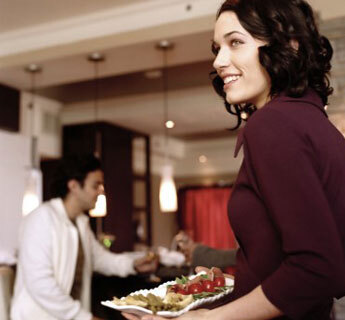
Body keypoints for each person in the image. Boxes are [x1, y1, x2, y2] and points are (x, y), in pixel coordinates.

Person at [122, 0, 345, 319]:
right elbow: (301, 263)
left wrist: (207, 318)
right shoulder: (315, 123)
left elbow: (318, 269)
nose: (219, 60)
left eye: (236, 42)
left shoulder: (273, 123)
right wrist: (231, 283)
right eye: (217, 48)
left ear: (289, 46)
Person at [11, 154, 158, 320]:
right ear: (74, 186)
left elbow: (99, 259)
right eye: (96, 185)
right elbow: (41, 284)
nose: (101, 191)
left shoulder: (81, 222)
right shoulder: (41, 219)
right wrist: (83, 317)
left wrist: (133, 265)